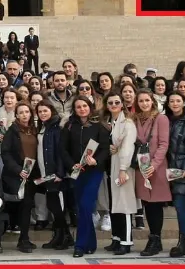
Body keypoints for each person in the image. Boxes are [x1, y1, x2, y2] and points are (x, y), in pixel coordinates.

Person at [60, 96, 110, 258]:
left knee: (85, 205)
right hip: (77, 171)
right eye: (78, 107)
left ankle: (79, 245)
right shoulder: (69, 126)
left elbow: (104, 148)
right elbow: (63, 149)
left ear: (90, 107)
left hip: (94, 171)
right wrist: (70, 164)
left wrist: (96, 160)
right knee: (83, 208)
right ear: (74, 110)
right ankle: (91, 243)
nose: (82, 109)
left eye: (84, 106)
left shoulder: (98, 126)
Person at [131, 89, 171, 256]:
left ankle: (155, 238)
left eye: (147, 100)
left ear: (152, 101)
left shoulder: (160, 118)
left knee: (155, 204)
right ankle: (155, 238)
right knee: (147, 203)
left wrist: (154, 165)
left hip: (156, 166)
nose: (144, 104)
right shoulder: (134, 119)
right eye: (141, 101)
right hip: (142, 165)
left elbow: (163, 144)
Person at [0, 103, 38, 253]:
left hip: (32, 174)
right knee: (22, 206)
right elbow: (6, 153)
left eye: (26, 112)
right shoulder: (12, 131)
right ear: (16, 115)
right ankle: (23, 239)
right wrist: (18, 170)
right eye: (21, 112)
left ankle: (24, 238)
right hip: (17, 175)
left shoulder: (35, 130)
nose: (24, 115)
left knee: (27, 206)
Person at [102, 92, 136, 256]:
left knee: (125, 204)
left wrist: (123, 169)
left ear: (122, 104)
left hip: (123, 167)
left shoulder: (127, 122)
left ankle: (126, 241)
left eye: (117, 102)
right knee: (115, 204)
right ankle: (116, 237)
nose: (114, 105)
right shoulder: (111, 122)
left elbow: (128, 146)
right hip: (112, 166)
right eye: (110, 103)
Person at [166, 92, 185, 257]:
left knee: (180, 205)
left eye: (178, 100)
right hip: (169, 170)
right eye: (172, 100)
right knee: (178, 205)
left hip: (182, 170)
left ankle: (183, 242)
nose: (175, 103)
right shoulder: (167, 120)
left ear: (184, 103)